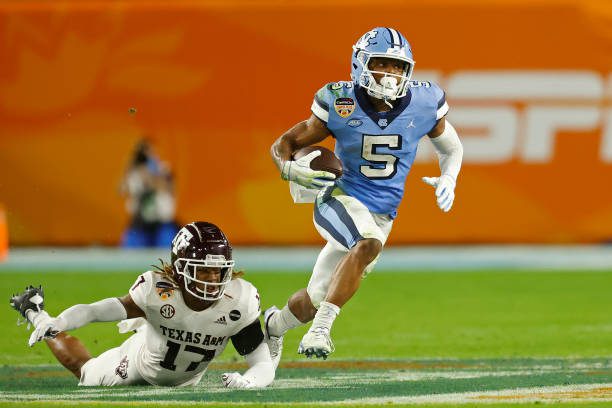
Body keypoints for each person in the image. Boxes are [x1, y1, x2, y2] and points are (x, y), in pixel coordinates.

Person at [265, 27, 464, 363]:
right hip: (339, 196)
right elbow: (286, 144)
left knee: (314, 299)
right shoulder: (340, 100)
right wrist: (287, 168)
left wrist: (450, 177)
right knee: (368, 243)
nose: (391, 74)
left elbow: (451, 147)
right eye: (383, 64)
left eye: (399, 67)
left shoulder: (426, 101)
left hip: (383, 213)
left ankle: (272, 326)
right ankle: (322, 330)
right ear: (361, 64)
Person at [10, 222, 275, 388]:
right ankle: (35, 312)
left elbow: (262, 364)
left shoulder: (238, 301)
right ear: (181, 269)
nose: (213, 280)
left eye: (219, 271)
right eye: (204, 271)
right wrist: (58, 322)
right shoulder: (156, 292)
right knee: (86, 372)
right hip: (139, 364)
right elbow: (95, 311)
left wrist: (249, 382)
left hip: (187, 378)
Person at [120, 139, 179, 248]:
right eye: (145, 152)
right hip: (139, 224)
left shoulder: (164, 169)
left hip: (163, 224)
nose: (149, 155)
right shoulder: (135, 173)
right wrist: (130, 165)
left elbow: (168, 189)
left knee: (167, 257)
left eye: (151, 151)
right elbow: (122, 191)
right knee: (130, 257)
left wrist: (151, 176)